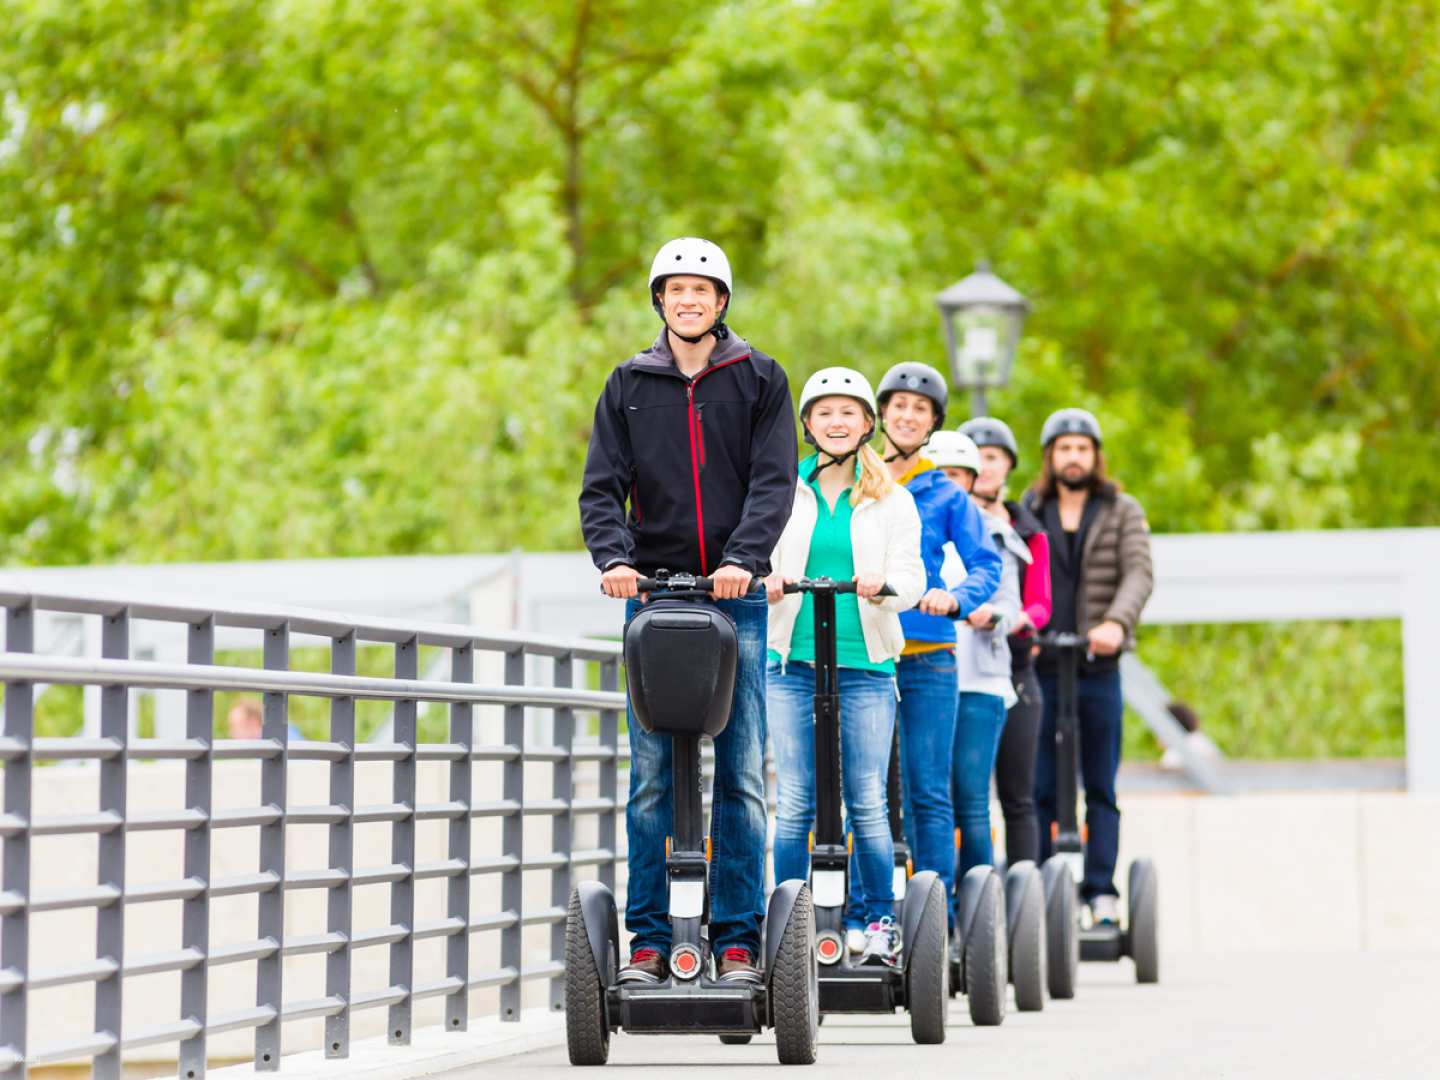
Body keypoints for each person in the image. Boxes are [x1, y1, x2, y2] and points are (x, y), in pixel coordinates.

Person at [579, 237, 797, 982]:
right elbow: (601, 486)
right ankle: (646, 939)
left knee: (738, 772)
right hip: (653, 600)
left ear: (722, 302)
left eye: (702, 291)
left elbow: (774, 482)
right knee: (651, 777)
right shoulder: (629, 383)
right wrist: (614, 561)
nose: (689, 301)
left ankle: (737, 936)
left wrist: (745, 560)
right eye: (676, 291)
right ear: (660, 302)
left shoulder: (760, 378)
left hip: (735, 602)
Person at [764, 367, 925, 966]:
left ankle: (876, 920)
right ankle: (789, 923)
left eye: (848, 413)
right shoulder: (783, 490)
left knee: (866, 800)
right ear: (808, 424)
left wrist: (884, 586)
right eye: (825, 412)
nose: (836, 422)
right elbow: (755, 558)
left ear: (866, 425)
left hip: (866, 663)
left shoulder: (891, 498)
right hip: (791, 659)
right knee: (797, 800)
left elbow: (913, 580)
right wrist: (767, 581)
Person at [869, 362, 1002, 938]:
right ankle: (864, 916)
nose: (906, 415)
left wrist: (955, 596)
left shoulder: (945, 493)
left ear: (932, 423)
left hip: (927, 656)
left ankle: (933, 925)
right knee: (867, 791)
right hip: (866, 652)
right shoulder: (855, 480)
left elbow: (987, 563)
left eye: (919, 409)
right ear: (881, 415)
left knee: (927, 790)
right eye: (898, 406)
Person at [1022, 408, 1154, 924]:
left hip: (1098, 668)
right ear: (1050, 456)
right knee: (1040, 787)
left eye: (1082, 448)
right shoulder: (1030, 509)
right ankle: (1039, 890)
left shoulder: (1121, 509)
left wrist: (1116, 624)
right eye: (1063, 448)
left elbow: (1139, 573)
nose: (1072, 457)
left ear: (1094, 456)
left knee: (1100, 784)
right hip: (1044, 665)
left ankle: (1100, 890)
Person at [925, 432, 1022, 885]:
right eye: (940, 474)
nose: (949, 484)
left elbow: (1014, 604)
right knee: (928, 796)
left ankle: (977, 902)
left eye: (958, 475)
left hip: (978, 680)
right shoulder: (912, 527)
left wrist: (989, 614)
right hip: (924, 673)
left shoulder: (993, 532)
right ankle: (932, 902)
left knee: (970, 796)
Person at [958, 415, 1052, 867]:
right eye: (976, 458)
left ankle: (1022, 894)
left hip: (1013, 666)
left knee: (1017, 792)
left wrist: (1011, 620)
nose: (985, 467)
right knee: (962, 790)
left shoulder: (1028, 531)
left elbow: (1040, 602)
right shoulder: (949, 522)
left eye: (993, 458)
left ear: (1008, 467)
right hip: (959, 667)